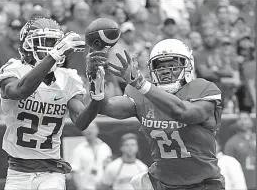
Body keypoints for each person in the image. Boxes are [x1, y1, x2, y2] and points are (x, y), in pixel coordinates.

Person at [77, 38, 225, 189]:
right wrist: (95, 79)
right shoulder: (141, 93)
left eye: (173, 65)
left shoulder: (203, 89)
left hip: (203, 183)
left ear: (188, 66)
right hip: (161, 183)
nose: (166, 70)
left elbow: (181, 112)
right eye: (160, 66)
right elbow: (106, 107)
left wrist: (140, 83)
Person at [0, 17, 98, 190]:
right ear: (28, 45)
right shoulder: (13, 69)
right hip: (18, 171)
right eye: (46, 43)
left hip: (51, 171)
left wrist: (97, 94)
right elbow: (20, 91)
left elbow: (81, 121)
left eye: (55, 43)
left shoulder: (68, 77)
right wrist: (54, 55)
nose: (51, 48)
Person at [71, 122, 112, 190]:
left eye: (92, 128)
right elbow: (75, 171)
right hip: (85, 188)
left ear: (97, 130)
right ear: (83, 131)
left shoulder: (105, 148)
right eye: (87, 128)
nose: (90, 131)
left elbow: (109, 169)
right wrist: (80, 188)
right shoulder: (78, 149)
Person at [224, 112, 256, 190]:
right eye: (239, 119)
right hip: (242, 184)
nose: (242, 121)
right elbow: (226, 167)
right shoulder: (231, 143)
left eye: (245, 119)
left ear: (251, 122)